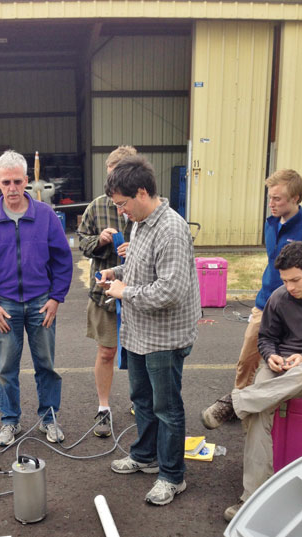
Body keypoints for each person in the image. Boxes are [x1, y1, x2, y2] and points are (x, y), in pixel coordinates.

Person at [201, 242, 302, 520]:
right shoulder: (279, 297)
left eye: (295, 280)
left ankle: (234, 402)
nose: (290, 287)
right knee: (259, 411)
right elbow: (267, 338)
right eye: (285, 280)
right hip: (282, 367)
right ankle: (252, 500)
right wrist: (271, 356)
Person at [100, 156, 201, 506]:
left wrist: (124, 292)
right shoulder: (141, 222)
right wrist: (116, 271)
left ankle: (173, 476)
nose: (121, 212)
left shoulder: (171, 228)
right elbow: (142, 265)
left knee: (167, 406)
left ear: (142, 192)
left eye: (123, 204)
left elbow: (170, 290)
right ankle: (145, 456)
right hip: (140, 332)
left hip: (165, 336)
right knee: (141, 399)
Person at [203, 169, 302, 419]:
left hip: (300, 308)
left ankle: (241, 403)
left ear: (295, 199)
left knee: (296, 363)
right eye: (269, 198)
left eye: (278, 199)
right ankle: (239, 404)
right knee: (249, 358)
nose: (271, 204)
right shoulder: (271, 223)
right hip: (266, 304)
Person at [0, 150, 73, 446]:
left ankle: (49, 417)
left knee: (46, 364)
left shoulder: (45, 217)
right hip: (6, 306)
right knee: (6, 368)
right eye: (6, 182)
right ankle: (10, 420)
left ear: (27, 180)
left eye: (17, 181)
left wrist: (56, 298)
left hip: (41, 302)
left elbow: (62, 260)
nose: (12, 188)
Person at [78, 145, 136, 437]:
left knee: (143, 354)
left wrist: (134, 250)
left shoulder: (145, 205)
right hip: (104, 295)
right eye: (110, 177)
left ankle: (142, 402)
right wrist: (99, 241)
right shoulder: (98, 206)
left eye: (119, 178)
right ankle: (104, 408)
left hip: (139, 296)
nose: (113, 187)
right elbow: (80, 241)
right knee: (106, 352)